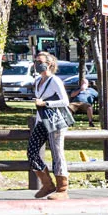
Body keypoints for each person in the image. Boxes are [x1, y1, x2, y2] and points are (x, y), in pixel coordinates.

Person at [28, 51, 74, 200]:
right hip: (42, 121)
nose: (36, 64)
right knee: (32, 151)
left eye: (39, 61)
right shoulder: (37, 81)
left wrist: (46, 103)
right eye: (35, 61)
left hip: (55, 121)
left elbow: (65, 102)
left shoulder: (54, 80)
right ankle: (47, 184)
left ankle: (62, 188)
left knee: (57, 152)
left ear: (49, 64)